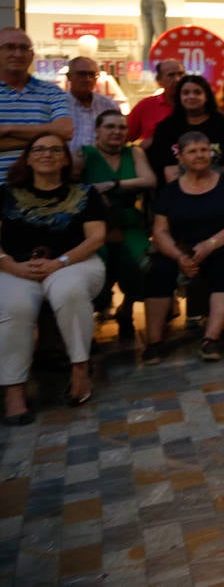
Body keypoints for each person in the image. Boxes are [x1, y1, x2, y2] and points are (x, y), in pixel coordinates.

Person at [0, 135, 106, 424]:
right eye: (39, 149)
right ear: (28, 158)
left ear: (65, 159)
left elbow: (96, 238)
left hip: (74, 262)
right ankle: (13, 391)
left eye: (55, 150)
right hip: (15, 266)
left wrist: (59, 263)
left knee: (68, 291)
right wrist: (11, 266)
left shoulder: (85, 193)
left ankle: (80, 370)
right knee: (15, 305)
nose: (47, 154)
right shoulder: (6, 194)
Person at [146, 131, 224, 363]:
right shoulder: (170, 191)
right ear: (181, 157)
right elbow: (160, 231)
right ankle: (154, 342)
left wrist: (210, 245)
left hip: (220, 244)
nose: (200, 155)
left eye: (204, 150)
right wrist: (179, 256)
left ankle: (211, 339)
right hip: (181, 248)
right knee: (158, 271)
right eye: (192, 151)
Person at [75, 109, 156, 340]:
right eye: (110, 126)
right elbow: (74, 186)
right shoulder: (84, 154)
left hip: (130, 222)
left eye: (121, 127)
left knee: (144, 262)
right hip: (94, 225)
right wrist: (95, 193)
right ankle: (90, 321)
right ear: (97, 131)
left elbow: (150, 180)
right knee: (96, 265)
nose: (117, 131)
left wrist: (113, 184)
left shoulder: (134, 152)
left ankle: (127, 308)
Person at [0, 27, 74, 184]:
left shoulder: (52, 91)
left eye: (24, 48)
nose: (18, 54)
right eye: (9, 47)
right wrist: (47, 142)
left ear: (32, 55)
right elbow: (58, 136)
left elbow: (65, 131)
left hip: (42, 189)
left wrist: (7, 129)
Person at [147, 75, 224, 185]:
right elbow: (168, 168)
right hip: (178, 190)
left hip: (218, 189)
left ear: (206, 96)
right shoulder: (166, 128)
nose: (191, 96)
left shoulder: (222, 124)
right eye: (186, 93)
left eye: (197, 92)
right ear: (179, 97)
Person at [126, 58, 184, 147]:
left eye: (181, 74)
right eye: (171, 75)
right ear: (159, 80)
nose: (177, 79)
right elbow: (124, 138)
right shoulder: (145, 106)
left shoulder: (195, 105)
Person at [64, 56, 118, 152]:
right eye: (82, 74)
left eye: (92, 75)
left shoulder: (108, 105)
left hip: (101, 160)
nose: (88, 79)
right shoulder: (57, 104)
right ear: (69, 77)